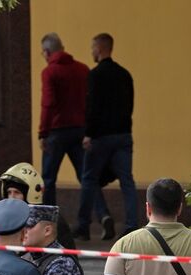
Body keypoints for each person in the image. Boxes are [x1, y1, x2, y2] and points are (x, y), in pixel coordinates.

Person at [78, 32, 139, 241]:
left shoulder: (95, 75)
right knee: (127, 181)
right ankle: (132, 224)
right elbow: (130, 104)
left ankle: (84, 225)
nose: (91, 52)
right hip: (123, 134)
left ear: (100, 49)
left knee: (89, 179)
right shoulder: (125, 74)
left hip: (101, 137)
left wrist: (89, 134)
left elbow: (92, 107)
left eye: (93, 48)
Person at [38, 33, 90, 207]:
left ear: (46, 52)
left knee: (49, 179)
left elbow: (48, 104)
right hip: (80, 129)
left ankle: (49, 219)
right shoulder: (83, 69)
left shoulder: (49, 72)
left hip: (57, 132)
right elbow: (90, 101)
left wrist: (43, 133)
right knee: (86, 177)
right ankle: (102, 215)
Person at [0, 161, 76, 250]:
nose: (12, 197)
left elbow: (68, 256)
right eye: (9, 192)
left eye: (17, 192)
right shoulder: (2, 219)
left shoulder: (50, 220)